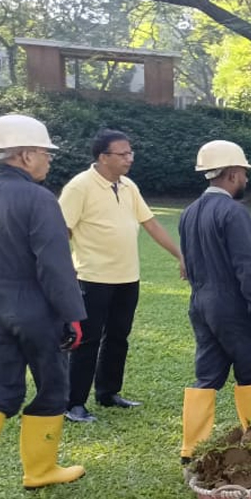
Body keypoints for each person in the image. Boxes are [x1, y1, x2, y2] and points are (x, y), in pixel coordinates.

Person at [0, 115, 87, 499]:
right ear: (25, 155)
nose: (49, 160)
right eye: (44, 153)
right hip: (36, 309)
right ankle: (40, 470)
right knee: (52, 386)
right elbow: (54, 266)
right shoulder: (40, 199)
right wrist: (72, 315)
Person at [178, 140, 251, 462]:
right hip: (233, 304)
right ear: (232, 173)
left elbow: (185, 265)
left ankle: (192, 445)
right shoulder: (234, 212)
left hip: (200, 304)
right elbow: (247, 266)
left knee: (208, 372)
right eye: (243, 172)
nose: (246, 179)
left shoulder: (188, 213)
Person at [58, 129, 186, 423]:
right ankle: (73, 403)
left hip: (128, 277)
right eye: (123, 154)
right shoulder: (80, 187)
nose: (130, 158)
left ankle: (108, 393)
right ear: (103, 157)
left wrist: (179, 255)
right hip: (92, 277)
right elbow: (61, 232)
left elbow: (151, 224)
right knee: (86, 341)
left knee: (118, 337)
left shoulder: (128, 186)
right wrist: (63, 271)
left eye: (131, 153)